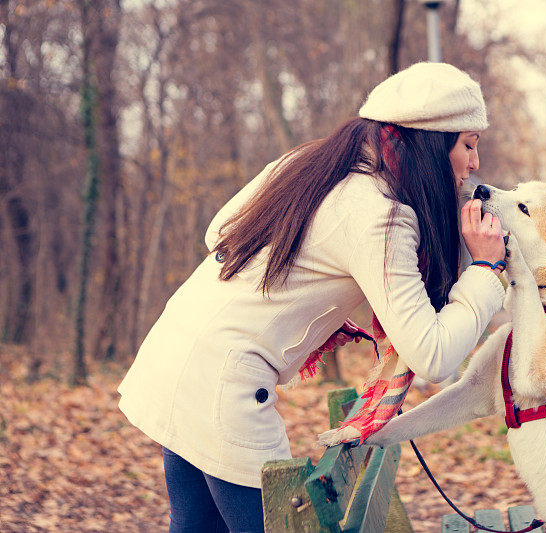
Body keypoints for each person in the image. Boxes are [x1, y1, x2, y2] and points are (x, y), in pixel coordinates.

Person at [117, 62, 507, 532]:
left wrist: (304, 291)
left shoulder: (305, 164)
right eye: (468, 144)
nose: (474, 163)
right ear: (429, 142)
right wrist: (486, 270)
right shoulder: (381, 216)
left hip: (174, 355)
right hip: (224, 388)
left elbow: (218, 233)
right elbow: (434, 355)